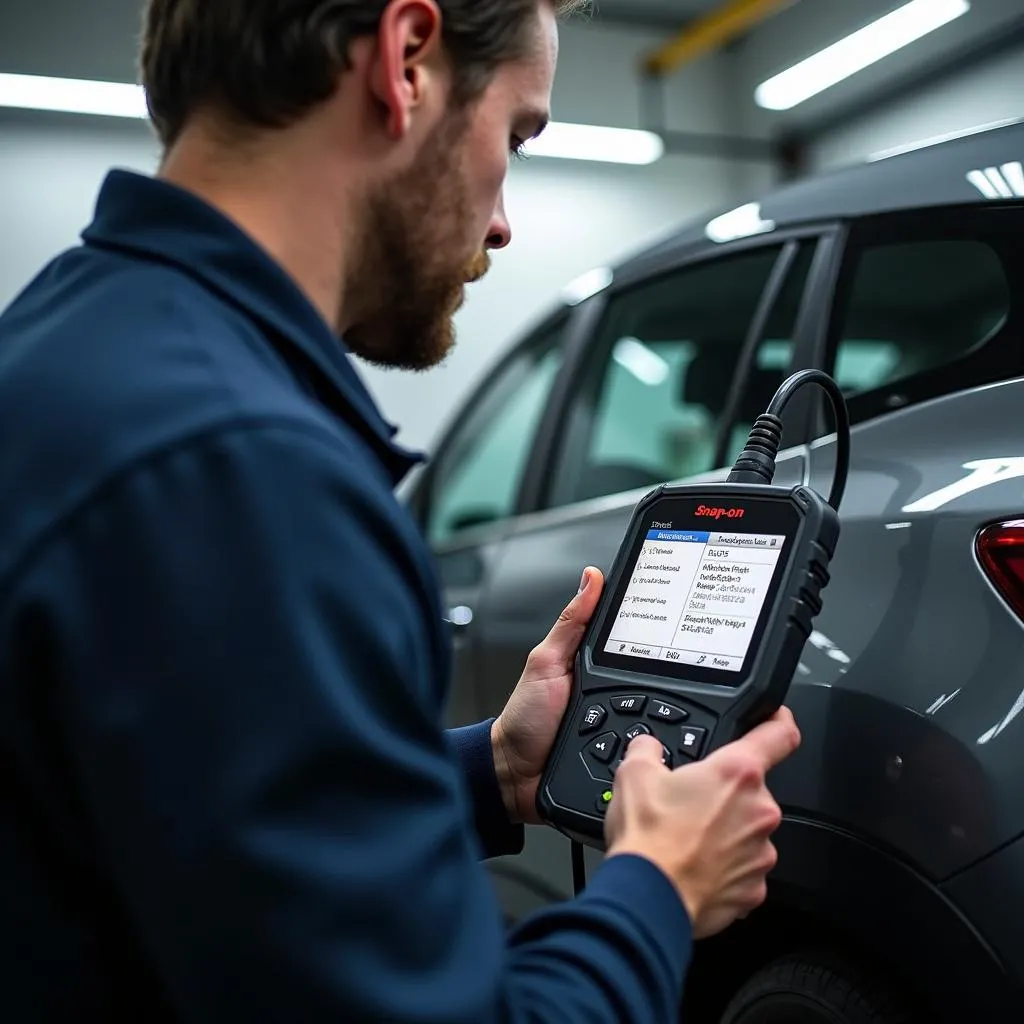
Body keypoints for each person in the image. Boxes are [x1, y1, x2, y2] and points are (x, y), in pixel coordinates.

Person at [0, 1, 801, 1021]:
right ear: (407, 60)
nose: (504, 219)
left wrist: (489, 769)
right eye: (514, 136)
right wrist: (657, 889)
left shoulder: (63, 346)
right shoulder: (245, 473)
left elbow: (188, 841)